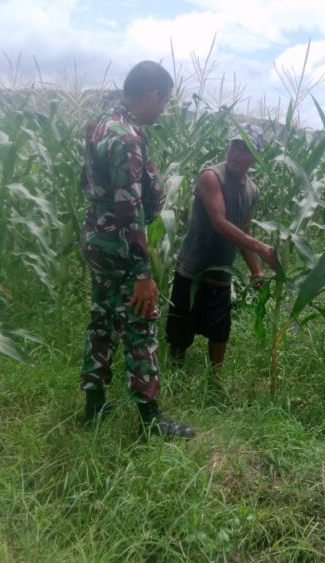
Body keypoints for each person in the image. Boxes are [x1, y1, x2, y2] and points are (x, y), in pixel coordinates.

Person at [79, 60, 195, 438]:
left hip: (98, 241)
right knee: (140, 325)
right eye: (163, 102)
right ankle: (150, 420)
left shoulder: (100, 125)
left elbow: (89, 185)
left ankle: (93, 406)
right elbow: (130, 210)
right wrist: (143, 274)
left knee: (102, 320)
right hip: (122, 249)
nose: (163, 110)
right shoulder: (127, 138)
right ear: (151, 95)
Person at [166, 125, 277, 378]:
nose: (238, 154)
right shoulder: (211, 177)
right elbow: (219, 222)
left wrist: (256, 271)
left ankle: (215, 381)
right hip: (194, 266)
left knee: (219, 330)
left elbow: (244, 232)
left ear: (255, 158)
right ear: (228, 148)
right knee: (181, 329)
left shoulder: (252, 190)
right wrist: (261, 247)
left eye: (245, 150)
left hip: (222, 272)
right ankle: (175, 377)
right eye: (234, 147)